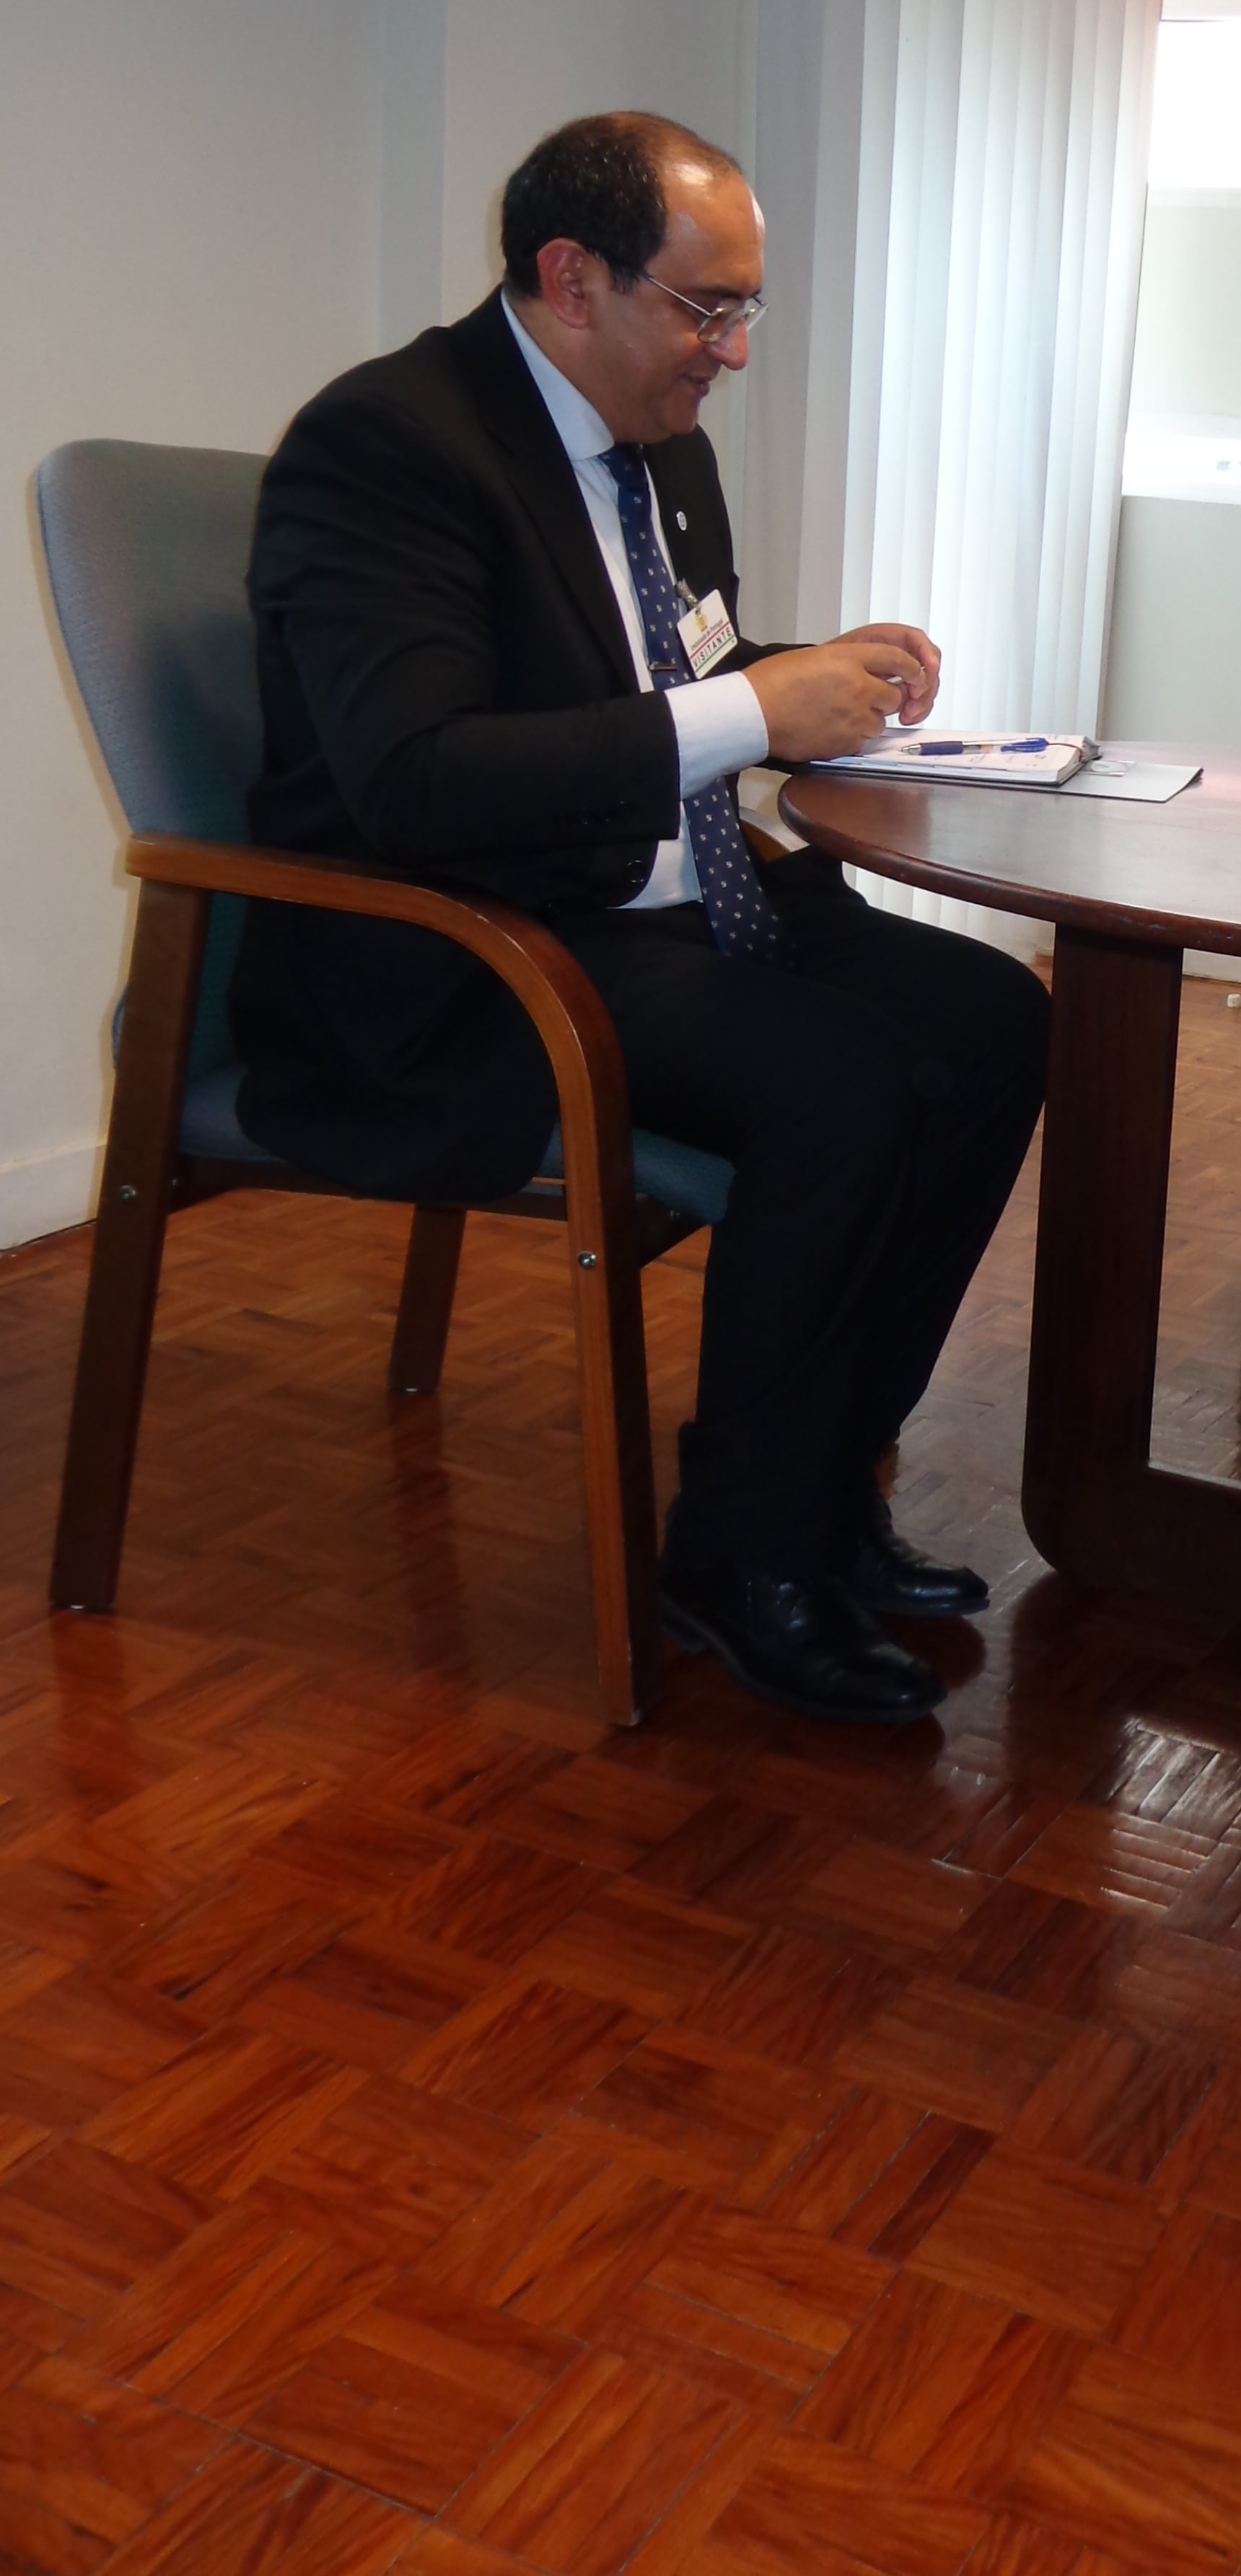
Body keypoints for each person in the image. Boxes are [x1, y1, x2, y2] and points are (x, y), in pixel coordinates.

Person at [234, 112, 1049, 1729]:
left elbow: (661, 674)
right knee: (844, 1083)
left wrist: (815, 676)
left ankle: (821, 1481)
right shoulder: (391, 444)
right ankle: (741, 1562)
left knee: (993, 1020)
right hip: (478, 946)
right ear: (571, 279)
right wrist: (754, 710)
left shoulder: (660, 442)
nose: (733, 350)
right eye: (707, 308)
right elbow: (416, 776)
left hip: (657, 897)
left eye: (747, 309)